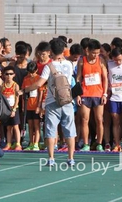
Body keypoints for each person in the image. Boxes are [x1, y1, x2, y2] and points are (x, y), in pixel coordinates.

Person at [23, 38, 76, 167]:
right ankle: (71, 158)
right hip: (67, 100)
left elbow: (39, 83)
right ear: (63, 50)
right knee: (69, 130)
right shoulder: (69, 64)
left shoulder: (49, 66)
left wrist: (24, 90)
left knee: (51, 130)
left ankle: (51, 158)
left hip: (52, 101)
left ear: (51, 51)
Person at [76, 38, 107, 151]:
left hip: (98, 94)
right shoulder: (82, 61)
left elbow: (105, 78)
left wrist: (105, 94)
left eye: (98, 53)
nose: (95, 55)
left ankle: (99, 143)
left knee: (99, 119)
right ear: (87, 51)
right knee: (84, 119)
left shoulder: (101, 60)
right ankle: (86, 144)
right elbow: (78, 78)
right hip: (85, 94)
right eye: (93, 53)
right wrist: (78, 94)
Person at [21, 61, 42, 151]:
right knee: (30, 125)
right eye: (29, 72)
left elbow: (41, 93)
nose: (31, 74)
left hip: (35, 105)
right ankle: (31, 143)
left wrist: (39, 106)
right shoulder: (25, 79)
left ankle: (36, 144)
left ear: (36, 70)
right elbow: (23, 92)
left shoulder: (39, 78)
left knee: (36, 125)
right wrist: (23, 105)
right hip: (28, 105)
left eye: (33, 72)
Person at [1, 68, 21, 151]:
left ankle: (18, 144)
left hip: (13, 108)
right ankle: (8, 143)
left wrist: (14, 110)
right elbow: (1, 98)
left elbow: (17, 98)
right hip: (6, 109)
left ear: (14, 75)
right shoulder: (2, 85)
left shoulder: (15, 85)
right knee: (8, 127)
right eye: (7, 74)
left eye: (11, 74)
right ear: (4, 75)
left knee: (15, 126)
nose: (9, 76)